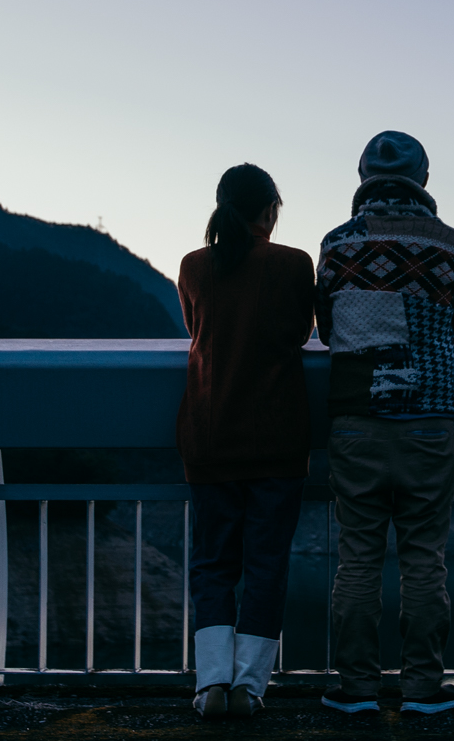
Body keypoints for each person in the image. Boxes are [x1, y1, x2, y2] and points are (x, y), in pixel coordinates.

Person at [315, 131, 454, 716]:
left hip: (355, 421)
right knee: (423, 559)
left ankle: (355, 690)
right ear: (424, 180)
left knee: (358, 558)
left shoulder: (336, 244)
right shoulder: (453, 245)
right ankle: (422, 690)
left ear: (362, 179)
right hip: (430, 421)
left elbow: (329, 330)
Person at [175, 163, 315, 719]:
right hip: (277, 439)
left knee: (213, 565)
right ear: (270, 210)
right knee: (265, 565)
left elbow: (197, 329)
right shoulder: (293, 265)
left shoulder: (192, 267)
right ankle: (249, 688)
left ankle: (210, 684)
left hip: (209, 435)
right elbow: (299, 333)